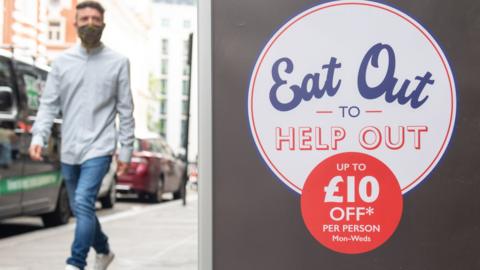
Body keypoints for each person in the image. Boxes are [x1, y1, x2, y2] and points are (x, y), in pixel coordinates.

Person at [29, 1, 134, 270]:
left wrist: (125, 151)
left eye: (95, 19)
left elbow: (126, 110)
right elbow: (49, 104)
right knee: (81, 208)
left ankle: (75, 263)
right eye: (84, 18)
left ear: (103, 24)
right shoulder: (62, 63)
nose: (90, 23)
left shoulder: (118, 62)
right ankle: (104, 250)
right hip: (69, 148)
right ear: (74, 23)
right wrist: (38, 137)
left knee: (84, 202)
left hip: (99, 148)